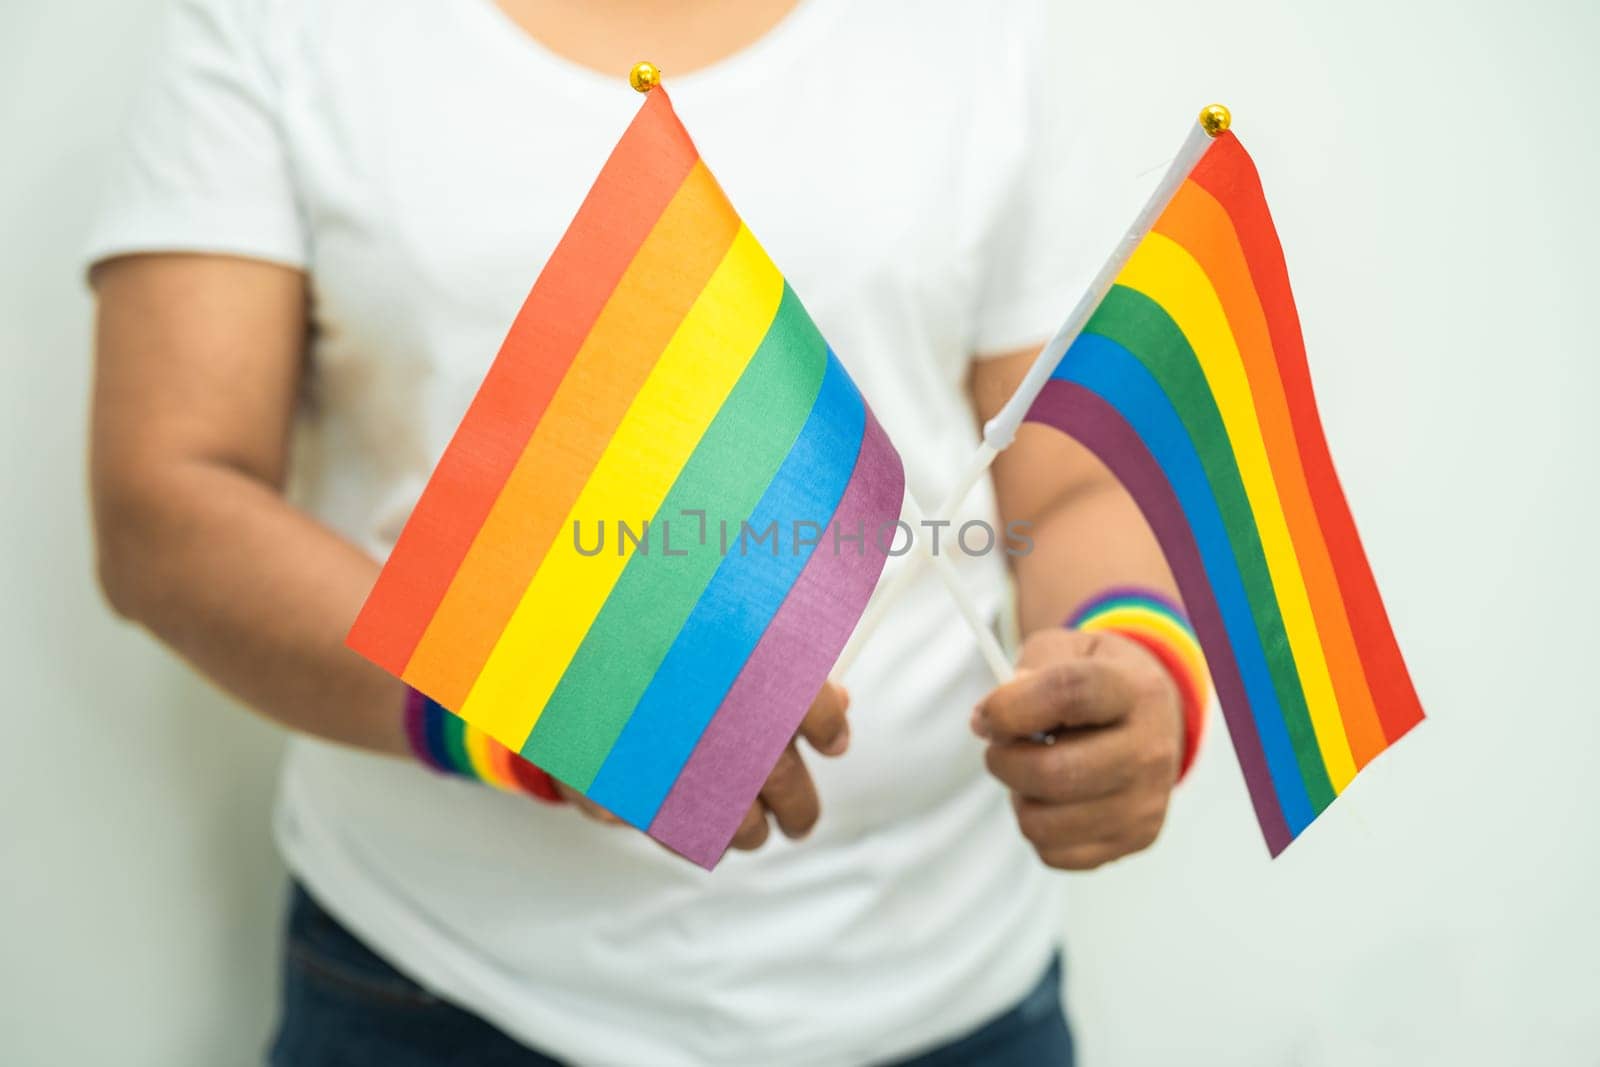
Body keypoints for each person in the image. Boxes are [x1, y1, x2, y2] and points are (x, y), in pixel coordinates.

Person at [87, 0, 1204, 1063]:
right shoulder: (287, 22)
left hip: (951, 994)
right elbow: (170, 501)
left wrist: (1136, 656)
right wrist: (541, 711)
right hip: (438, 986)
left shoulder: (972, 29)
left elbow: (1067, 478)